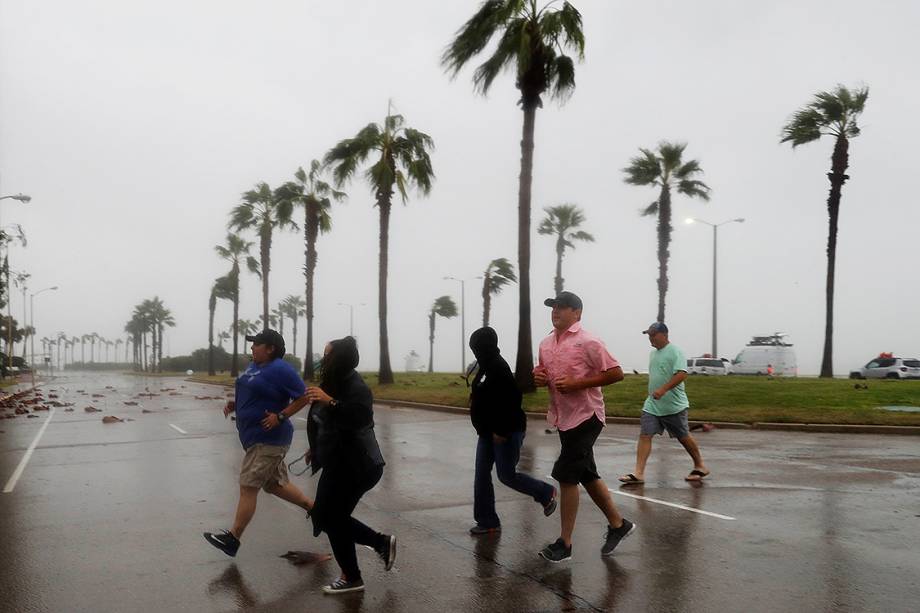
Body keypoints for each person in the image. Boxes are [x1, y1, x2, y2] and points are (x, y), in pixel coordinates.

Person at [532, 291, 635, 562]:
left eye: (563, 307)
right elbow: (541, 372)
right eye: (553, 307)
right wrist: (539, 377)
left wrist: (578, 384)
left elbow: (616, 373)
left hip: (587, 417)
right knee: (587, 474)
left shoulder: (588, 341)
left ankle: (564, 544)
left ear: (577, 313)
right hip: (563, 417)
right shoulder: (545, 343)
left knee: (566, 475)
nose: (556, 311)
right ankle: (618, 524)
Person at [203, 329, 319, 558]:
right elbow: (255, 391)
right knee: (274, 485)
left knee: (248, 485)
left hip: (269, 440)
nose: (252, 347)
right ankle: (317, 511)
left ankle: (233, 538)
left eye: (256, 344)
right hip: (254, 438)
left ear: (270, 348)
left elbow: (304, 397)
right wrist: (236, 404)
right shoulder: (254, 366)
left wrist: (281, 416)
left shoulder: (281, 369)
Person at [305, 336, 395, 595]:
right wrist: (315, 449)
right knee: (326, 515)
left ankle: (356, 571)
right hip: (338, 462)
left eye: (328, 355)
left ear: (340, 359)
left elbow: (358, 417)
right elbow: (321, 421)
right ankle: (375, 550)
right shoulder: (330, 383)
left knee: (331, 518)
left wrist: (329, 401)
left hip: (358, 465)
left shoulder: (355, 387)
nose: (324, 360)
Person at [468, 326, 557, 535]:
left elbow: (511, 401)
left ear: (486, 347)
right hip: (487, 432)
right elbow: (483, 391)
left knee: (506, 475)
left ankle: (545, 492)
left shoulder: (499, 367)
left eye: (477, 348)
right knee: (481, 475)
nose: (475, 351)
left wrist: (501, 430)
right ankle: (488, 521)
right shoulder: (484, 367)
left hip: (505, 431)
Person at [619, 322, 710, 485]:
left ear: (664, 334)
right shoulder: (653, 354)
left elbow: (682, 374)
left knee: (683, 436)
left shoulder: (675, 351)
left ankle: (700, 465)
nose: (650, 338)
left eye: (653, 335)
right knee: (645, 434)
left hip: (673, 405)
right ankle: (638, 473)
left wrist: (663, 389)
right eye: (649, 335)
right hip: (652, 405)